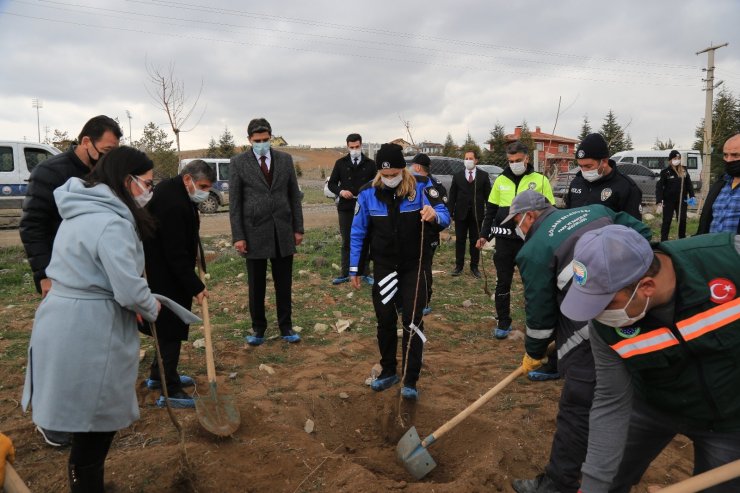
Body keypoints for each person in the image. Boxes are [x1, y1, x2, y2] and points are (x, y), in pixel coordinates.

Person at [21, 147, 163, 493]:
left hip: (65, 318)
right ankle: (87, 486)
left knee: (86, 417)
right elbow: (129, 289)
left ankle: (87, 483)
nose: (150, 190)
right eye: (147, 183)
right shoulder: (111, 223)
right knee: (94, 420)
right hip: (88, 328)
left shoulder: (82, 211)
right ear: (127, 181)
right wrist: (153, 308)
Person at [561, 225, 740, 493]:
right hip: (652, 406)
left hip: (730, 420)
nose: (596, 315)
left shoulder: (729, 260)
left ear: (646, 286)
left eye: (606, 303)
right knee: (608, 482)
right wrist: (593, 485)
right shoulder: (605, 328)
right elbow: (610, 400)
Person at [507, 191, 651, 493]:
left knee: (579, 401)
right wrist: (637, 275)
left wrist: (534, 352)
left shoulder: (534, 250)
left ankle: (558, 484)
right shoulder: (596, 210)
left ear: (529, 216)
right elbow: (641, 233)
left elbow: (540, 313)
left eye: (516, 222)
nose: (516, 228)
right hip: (641, 302)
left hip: (592, 319)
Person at [19, 115, 122, 448]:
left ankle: (81, 412)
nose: (108, 158)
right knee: (57, 350)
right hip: (60, 278)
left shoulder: (102, 176)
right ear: (86, 142)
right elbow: (32, 226)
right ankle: (49, 419)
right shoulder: (50, 173)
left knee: (86, 350)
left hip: (92, 280)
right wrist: (43, 275)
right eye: (105, 150)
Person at [350, 143, 450, 400]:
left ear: (403, 170)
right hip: (384, 267)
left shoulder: (421, 189)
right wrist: (355, 268)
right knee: (384, 319)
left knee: (413, 320)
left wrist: (432, 214)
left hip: (414, 265)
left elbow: (444, 214)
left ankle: (410, 378)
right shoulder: (367, 194)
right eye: (385, 175)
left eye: (394, 173)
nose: (390, 178)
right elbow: (358, 232)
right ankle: (388, 370)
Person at [143, 160, 215, 408]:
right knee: (170, 329)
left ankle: (158, 375)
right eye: (202, 186)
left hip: (164, 270)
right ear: (188, 179)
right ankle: (170, 389)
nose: (205, 192)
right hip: (164, 275)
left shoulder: (174, 190)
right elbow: (174, 252)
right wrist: (194, 285)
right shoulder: (173, 202)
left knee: (165, 329)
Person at [229, 118, 304, 346]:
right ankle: (258, 328)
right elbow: (235, 202)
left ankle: (286, 326)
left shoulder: (285, 160)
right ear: (249, 140)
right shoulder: (238, 163)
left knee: (284, 283)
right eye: (257, 140)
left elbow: (294, 196)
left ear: (271, 137)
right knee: (256, 285)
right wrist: (238, 236)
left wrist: (297, 228)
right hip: (253, 232)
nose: (261, 144)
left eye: (265, 139)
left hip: (282, 231)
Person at [478, 141, 554, 340]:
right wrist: (484, 235)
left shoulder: (540, 180)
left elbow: (550, 211)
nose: (515, 164)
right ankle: (503, 321)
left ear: (527, 159)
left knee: (533, 283)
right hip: (504, 240)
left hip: (530, 240)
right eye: (511, 161)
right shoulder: (500, 180)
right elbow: (491, 211)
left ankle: (535, 322)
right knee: (503, 282)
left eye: (518, 160)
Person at [327, 133, 376, 285]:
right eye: (351, 147)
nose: (354, 149)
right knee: (347, 240)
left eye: (357, 147)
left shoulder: (370, 164)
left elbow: (376, 183)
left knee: (366, 239)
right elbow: (332, 183)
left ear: (361, 145)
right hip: (346, 207)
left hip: (365, 208)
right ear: (347, 146)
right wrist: (341, 191)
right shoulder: (340, 163)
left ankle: (365, 273)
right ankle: (346, 272)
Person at [564, 133, 642, 220]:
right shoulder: (577, 182)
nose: (584, 171)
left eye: (588, 166)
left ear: (604, 161)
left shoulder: (626, 187)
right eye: (581, 166)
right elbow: (568, 214)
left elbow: (633, 227)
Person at [410, 153, 449, 315]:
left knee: (424, 267)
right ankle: (411, 297)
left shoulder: (431, 185)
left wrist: (433, 229)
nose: (410, 169)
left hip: (427, 233)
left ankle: (424, 300)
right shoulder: (413, 182)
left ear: (417, 167)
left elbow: (442, 212)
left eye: (411, 166)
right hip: (413, 233)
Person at [448, 148, 491, 278]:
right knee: (460, 240)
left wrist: (490, 213)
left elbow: (488, 196)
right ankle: (459, 266)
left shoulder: (483, 176)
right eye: (466, 158)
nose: (468, 161)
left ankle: (474, 267)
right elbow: (453, 195)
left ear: (476, 160)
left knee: (475, 241)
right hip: (460, 214)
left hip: (477, 214)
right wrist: (449, 213)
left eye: (470, 158)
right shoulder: (458, 175)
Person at [697, 133, 740, 235]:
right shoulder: (720, 183)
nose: (728, 160)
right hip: (711, 247)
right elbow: (706, 220)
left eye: (735, 155)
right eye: (725, 155)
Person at [656, 150, 695, 241]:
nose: (677, 160)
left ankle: (682, 239)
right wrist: (659, 200)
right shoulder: (666, 172)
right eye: (675, 158)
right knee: (667, 220)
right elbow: (659, 186)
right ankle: (664, 240)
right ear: (670, 160)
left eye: (678, 158)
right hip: (669, 200)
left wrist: (692, 195)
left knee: (682, 219)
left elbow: (688, 183)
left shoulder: (684, 170)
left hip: (682, 200)